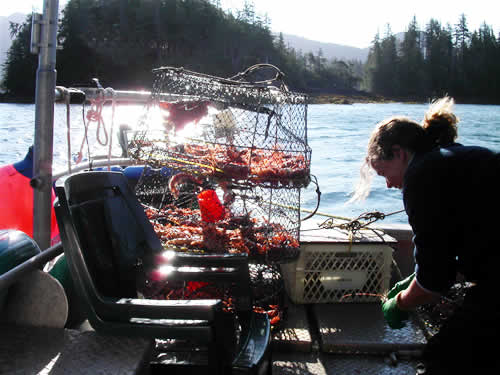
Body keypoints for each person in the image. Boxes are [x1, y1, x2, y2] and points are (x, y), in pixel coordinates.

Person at [355, 97, 500, 374]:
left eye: (383, 172)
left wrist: (399, 303)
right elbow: (476, 240)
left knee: (443, 359)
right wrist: (418, 278)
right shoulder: (450, 158)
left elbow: (434, 281)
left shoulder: (421, 175)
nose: (388, 184)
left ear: (398, 153)